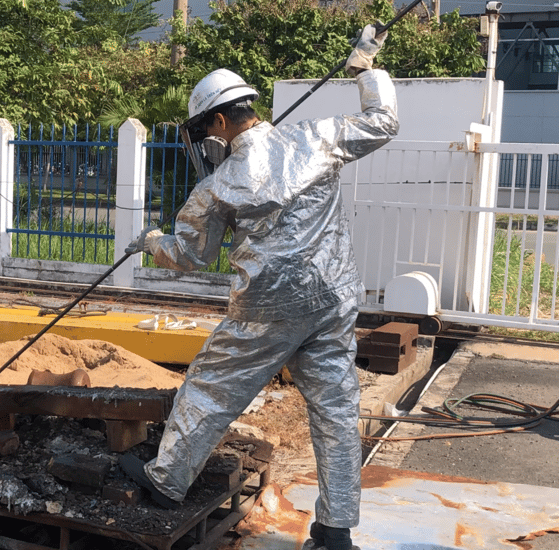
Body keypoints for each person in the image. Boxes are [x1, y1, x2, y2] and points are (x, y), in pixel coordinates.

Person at [120, 24, 397, 550]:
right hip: (333, 298)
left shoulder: (218, 185)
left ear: (221, 120)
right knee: (336, 409)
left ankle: (165, 481)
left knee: (209, 387)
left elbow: (191, 256)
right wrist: (367, 70)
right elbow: (384, 121)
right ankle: (336, 531)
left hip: (267, 310)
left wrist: (153, 242)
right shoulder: (314, 137)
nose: (210, 141)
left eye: (209, 130)